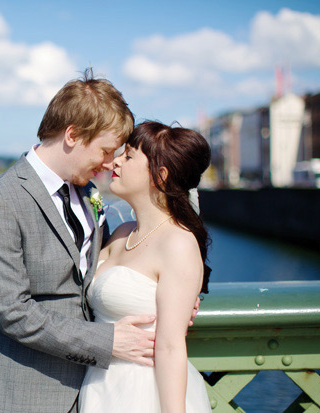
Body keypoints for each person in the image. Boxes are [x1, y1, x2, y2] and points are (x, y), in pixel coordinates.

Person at [0, 69, 158, 413]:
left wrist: (164, 295)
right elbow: (13, 312)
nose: (110, 164)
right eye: (106, 150)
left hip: (93, 389)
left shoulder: (89, 193)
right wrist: (107, 341)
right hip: (21, 394)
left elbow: (105, 268)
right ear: (73, 135)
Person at [79, 121, 212, 412]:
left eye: (128, 156)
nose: (115, 161)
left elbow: (170, 346)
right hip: (99, 387)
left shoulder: (178, 243)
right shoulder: (120, 232)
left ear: (159, 176)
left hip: (141, 391)